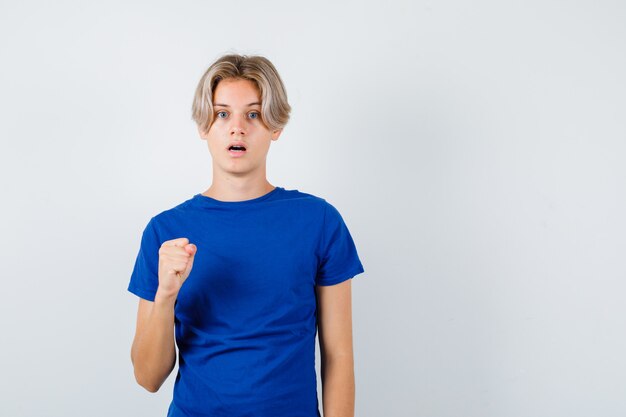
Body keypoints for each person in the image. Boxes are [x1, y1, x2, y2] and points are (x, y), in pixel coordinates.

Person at [128, 53, 365, 417]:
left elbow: (338, 354)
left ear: (275, 126)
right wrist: (165, 296)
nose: (237, 127)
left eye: (252, 114)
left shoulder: (319, 221)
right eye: (222, 114)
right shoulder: (165, 231)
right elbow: (147, 377)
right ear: (204, 127)